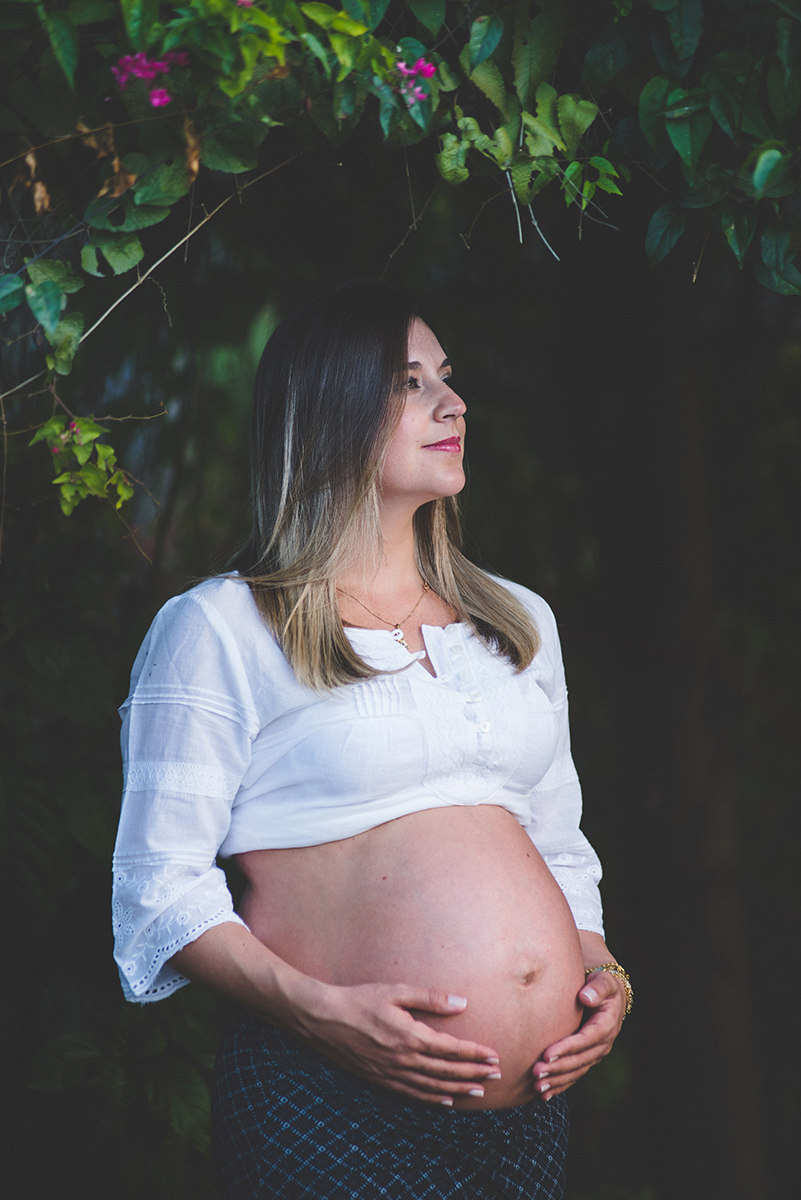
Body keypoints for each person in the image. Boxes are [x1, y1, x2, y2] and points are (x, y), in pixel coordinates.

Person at [112, 280, 631, 1199]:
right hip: (329, 1091)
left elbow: (558, 842)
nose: (452, 402)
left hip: (530, 1109)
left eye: (447, 376)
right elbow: (161, 891)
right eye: (408, 381)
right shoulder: (221, 628)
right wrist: (320, 1016)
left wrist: (598, 973)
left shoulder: (516, 622)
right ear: (327, 411)